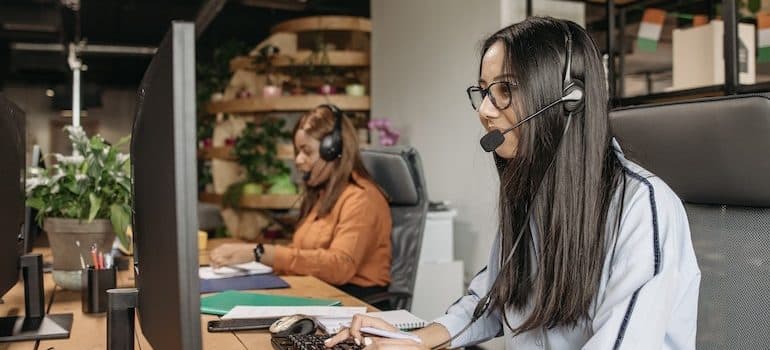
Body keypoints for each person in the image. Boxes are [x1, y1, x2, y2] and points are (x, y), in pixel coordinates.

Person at [326, 17, 700, 350]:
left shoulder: (642, 208)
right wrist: (413, 339)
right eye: (484, 91)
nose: (485, 110)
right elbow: (493, 297)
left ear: (569, 98)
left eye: (505, 90)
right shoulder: (531, 193)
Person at [209, 105, 393, 301]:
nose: (298, 160)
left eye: (306, 151)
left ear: (332, 150)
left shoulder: (361, 199)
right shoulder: (323, 195)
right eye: (297, 151)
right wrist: (253, 254)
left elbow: (340, 267)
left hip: (353, 303)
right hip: (319, 294)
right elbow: (303, 253)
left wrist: (260, 253)